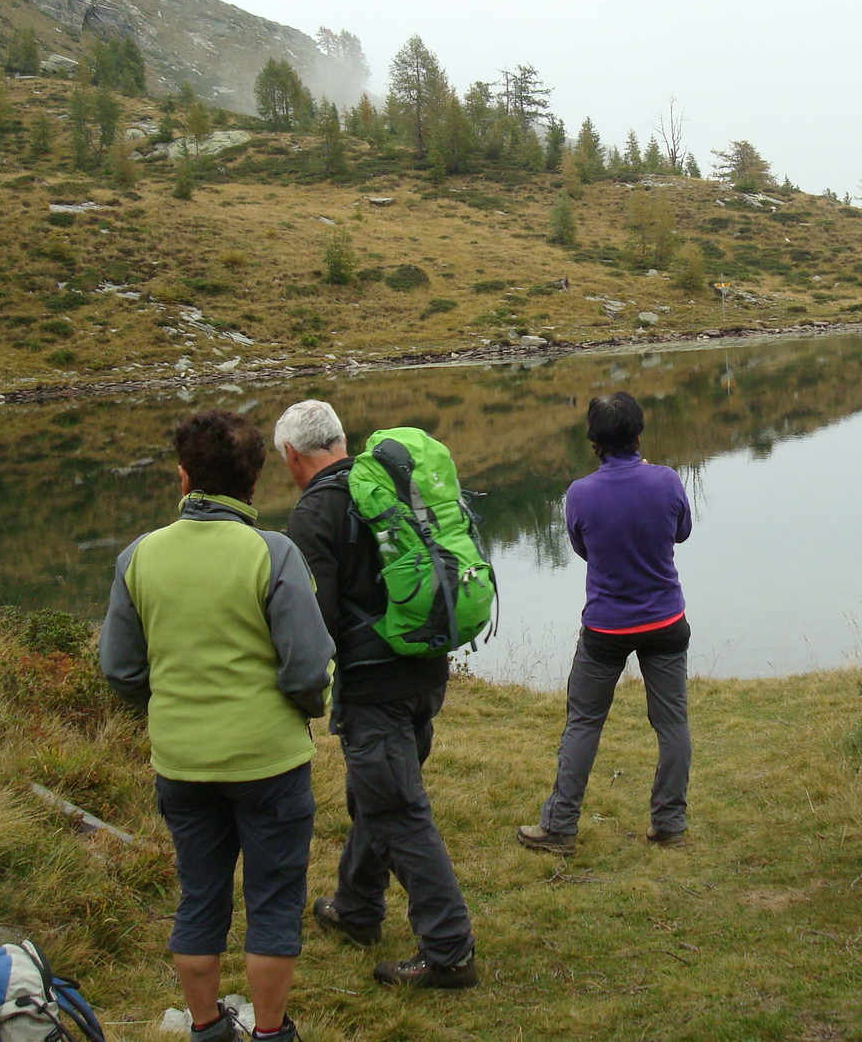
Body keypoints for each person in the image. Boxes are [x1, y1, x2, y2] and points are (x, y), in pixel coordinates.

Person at [99, 410, 333, 1042]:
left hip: (182, 763)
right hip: (270, 761)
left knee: (199, 896)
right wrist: (305, 709)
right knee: (274, 901)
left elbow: (120, 669)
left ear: (183, 478)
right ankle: (271, 1032)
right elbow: (308, 667)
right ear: (253, 482)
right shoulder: (273, 553)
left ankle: (206, 1027)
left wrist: (169, 707)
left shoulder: (138, 556)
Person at [273, 398, 479, 990]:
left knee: (396, 810)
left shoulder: (316, 512)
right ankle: (357, 908)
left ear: (292, 454)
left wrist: (298, 687)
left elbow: (318, 620)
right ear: (340, 440)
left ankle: (449, 951)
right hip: (426, 670)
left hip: (374, 686)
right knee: (378, 796)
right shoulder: (386, 485)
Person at [517, 391, 693, 856]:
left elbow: (584, 550)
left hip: (605, 629)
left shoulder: (580, 493)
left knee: (583, 723)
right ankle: (669, 823)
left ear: (594, 441)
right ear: (638, 434)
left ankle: (559, 827)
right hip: (666, 621)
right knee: (672, 723)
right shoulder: (667, 480)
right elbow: (681, 532)